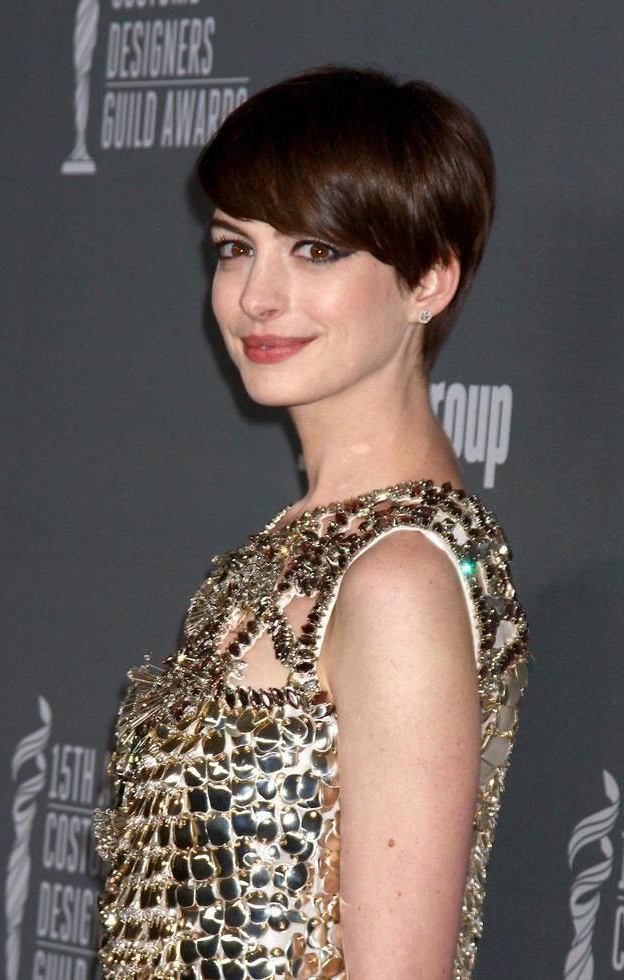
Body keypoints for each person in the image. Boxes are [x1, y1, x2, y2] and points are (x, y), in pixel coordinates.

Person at [94, 65, 531, 979]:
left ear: (430, 278)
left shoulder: (399, 579)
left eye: (315, 251)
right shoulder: (292, 547)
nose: (257, 295)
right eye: (234, 246)